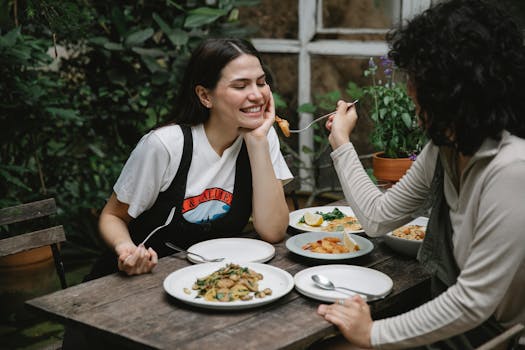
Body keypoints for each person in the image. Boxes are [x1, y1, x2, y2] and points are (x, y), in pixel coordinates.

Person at [317, 0, 525, 349]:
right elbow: (378, 217)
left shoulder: (511, 170)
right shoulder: (445, 147)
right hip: (461, 329)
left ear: (448, 88)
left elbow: (472, 302)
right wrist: (341, 142)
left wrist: (373, 334)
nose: (408, 88)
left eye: (415, 77)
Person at [88, 38, 292, 278]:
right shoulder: (165, 145)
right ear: (205, 96)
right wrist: (127, 249)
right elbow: (112, 216)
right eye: (241, 86)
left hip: (211, 280)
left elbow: (274, 231)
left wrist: (258, 143)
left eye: (261, 82)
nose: (257, 95)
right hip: (141, 280)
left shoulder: (262, 137)